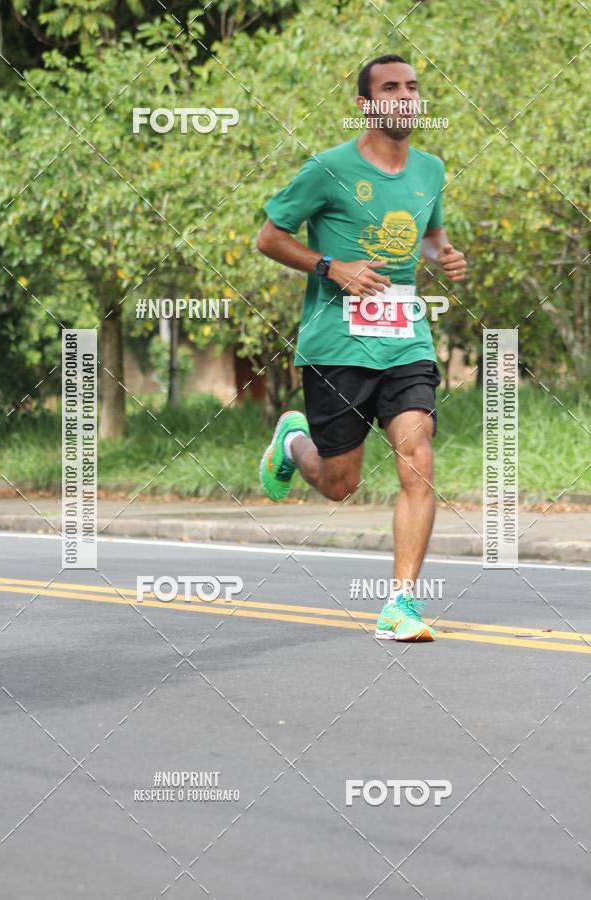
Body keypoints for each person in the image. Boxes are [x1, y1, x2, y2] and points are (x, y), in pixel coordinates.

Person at [256, 54, 467, 641]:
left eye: (413, 88)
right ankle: (292, 439)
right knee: (339, 484)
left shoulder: (431, 168)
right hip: (336, 347)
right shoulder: (328, 169)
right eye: (390, 89)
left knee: (418, 460)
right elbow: (269, 237)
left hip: (405, 340)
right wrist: (332, 267)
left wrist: (443, 256)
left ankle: (400, 604)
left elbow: (428, 235)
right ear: (366, 104)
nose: (405, 97)